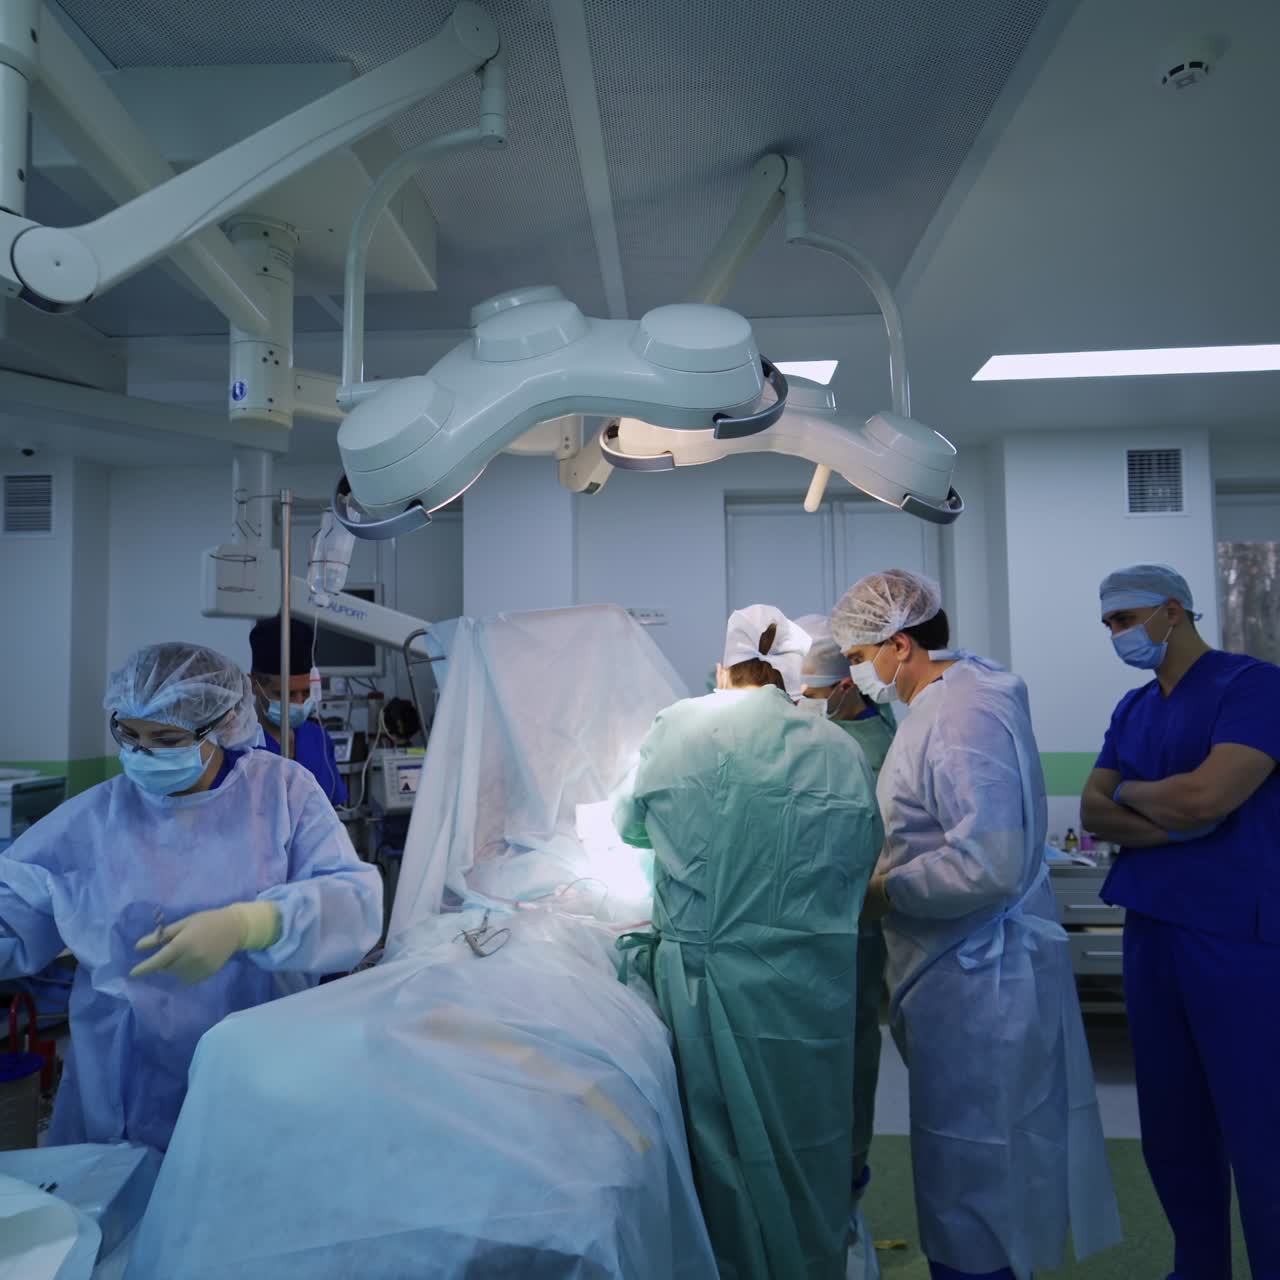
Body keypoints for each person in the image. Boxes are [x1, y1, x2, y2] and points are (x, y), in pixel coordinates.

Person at [831, 570, 1120, 1280]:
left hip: (978, 979)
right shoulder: (949, 702)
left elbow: (986, 862)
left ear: (900, 644)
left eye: (861, 657)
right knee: (969, 1165)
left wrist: (884, 892)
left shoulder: (961, 716)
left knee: (977, 1168)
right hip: (957, 971)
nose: (859, 674)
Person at [0, 643, 382, 1152]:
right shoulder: (97, 816)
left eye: (166, 739)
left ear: (223, 724)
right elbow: (14, 910)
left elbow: (353, 902)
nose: (142, 753)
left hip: (254, 1070)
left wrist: (252, 925)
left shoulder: (283, 794)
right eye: (128, 734)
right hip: (120, 1084)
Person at [614, 605, 884, 1280]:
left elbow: (632, 827)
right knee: (809, 1143)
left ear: (721, 669)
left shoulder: (679, 727)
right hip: (811, 988)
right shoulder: (838, 750)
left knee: (722, 1160)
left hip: (707, 989)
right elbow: (862, 853)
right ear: (796, 678)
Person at [1081, 563, 1280, 1280]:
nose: (1116, 634)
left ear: (1173, 610)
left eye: (1125, 619)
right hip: (1151, 929)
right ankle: (1197, 1268)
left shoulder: (1254, 686)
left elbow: (1207, 798)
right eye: (1109, 624)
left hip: (1237, 937)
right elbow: (1093, 810)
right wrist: (1171, 813)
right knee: (1173, 1129)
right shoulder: (1134, 708)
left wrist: (1138, 797)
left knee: (1260, 1129)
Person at [797, 613, 896, 1274]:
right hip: (811, 930)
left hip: (852, 932)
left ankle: (845, 1200)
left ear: (844, 684)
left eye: (812, 692)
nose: (802, 703)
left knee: (851, 1070)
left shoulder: (878, 748)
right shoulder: (812, 732)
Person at [249, 615, 348, 805]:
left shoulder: (317, 739)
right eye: (286, 694)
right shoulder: (240, 746)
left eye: (306, 692)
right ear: (254, 684)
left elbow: (333, 807)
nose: (299, 703)